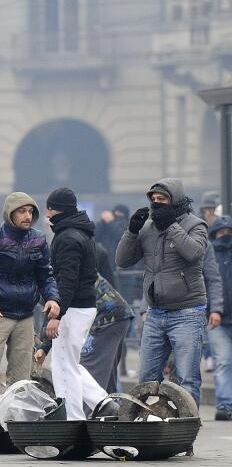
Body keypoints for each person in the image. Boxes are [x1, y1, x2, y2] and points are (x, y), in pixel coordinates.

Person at [116, 179, 208, 405]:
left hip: (187, 312)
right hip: (155, 313)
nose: (157, 204)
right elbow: (122, 260)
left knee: (186, 378)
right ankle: (148, 422)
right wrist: (131, 231)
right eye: (154, 200)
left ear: (174, 200)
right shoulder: (148, 228)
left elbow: (194, 252)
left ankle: (187, 425)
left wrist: (171, 226)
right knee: (146, 378)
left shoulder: (196, 224)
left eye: (162, 200)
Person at [0, 192, 60, 385]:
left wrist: (52, 298)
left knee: (23, 380)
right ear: (10, 213)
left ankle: (16, 415)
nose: (27, 216)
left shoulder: (38, 239)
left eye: (30, 211)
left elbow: (45, 275)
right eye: (22, 211)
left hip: (25, 316)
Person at [42, 188, 106, 420]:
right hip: (82, 305)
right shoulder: (81, 231)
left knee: (63, 367)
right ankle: (103, 402)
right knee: (70, 362)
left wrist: (57, 315)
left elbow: (67, 281)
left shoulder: (67, 238)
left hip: (72, 308)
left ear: (52, 208)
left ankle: (73, 420)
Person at [37, 275, 134, 394]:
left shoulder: (53, 271)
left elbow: (55, 309)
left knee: (87, 374)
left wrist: (43, 346)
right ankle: (110, 408)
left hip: (105, 319)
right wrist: (44, 347)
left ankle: (95, 409)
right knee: (105, 378)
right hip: (116, 315)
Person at [208, 215, 232, 420]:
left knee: (223, 362)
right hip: (218, 319)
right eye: (221, 232)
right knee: (223, 361)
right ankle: (224, 405)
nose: (225, 236)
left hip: (218, 317)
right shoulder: (209, 255)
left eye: (228, 231)